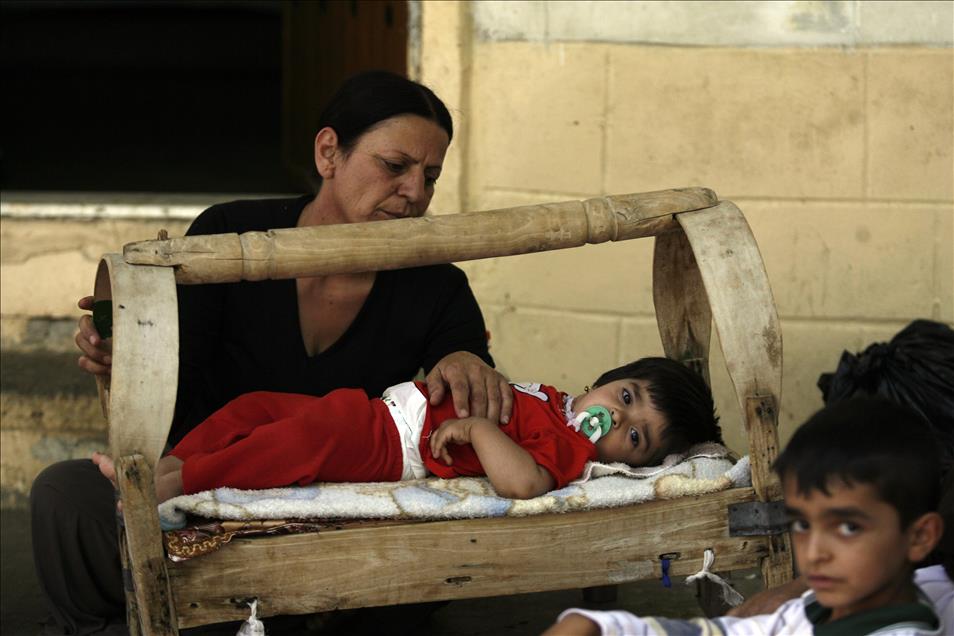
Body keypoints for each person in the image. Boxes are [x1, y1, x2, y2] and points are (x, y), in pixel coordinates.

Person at [31, 70, 513, 636]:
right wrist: (129, 354)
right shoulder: (229, 234)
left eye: (430, 176)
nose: (416, 193)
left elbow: (462, 363)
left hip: (334, 510)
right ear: (329, 152)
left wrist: (465, 363)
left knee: (423, 555)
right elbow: (167, 356)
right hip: (201, 487)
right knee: (64, 496)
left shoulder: (435, 281)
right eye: (395, 166)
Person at [543, 397, 947, 635]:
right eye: (803, 524)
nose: (816, 553)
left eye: (848, 527)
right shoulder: (812, 611)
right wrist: (606, 627)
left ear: (919, 537)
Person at [92, 357, 723, 504]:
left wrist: (477, 429)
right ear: (606, 379)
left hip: (393, 447)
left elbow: (524, 483)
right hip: (380, 413)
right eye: (626, 397)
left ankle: (173, 488)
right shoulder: (555, 402)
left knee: (294, 444)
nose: (616, 419)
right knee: (260, 408)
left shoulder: (570, 445)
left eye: (634, 437)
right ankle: (171, 461)